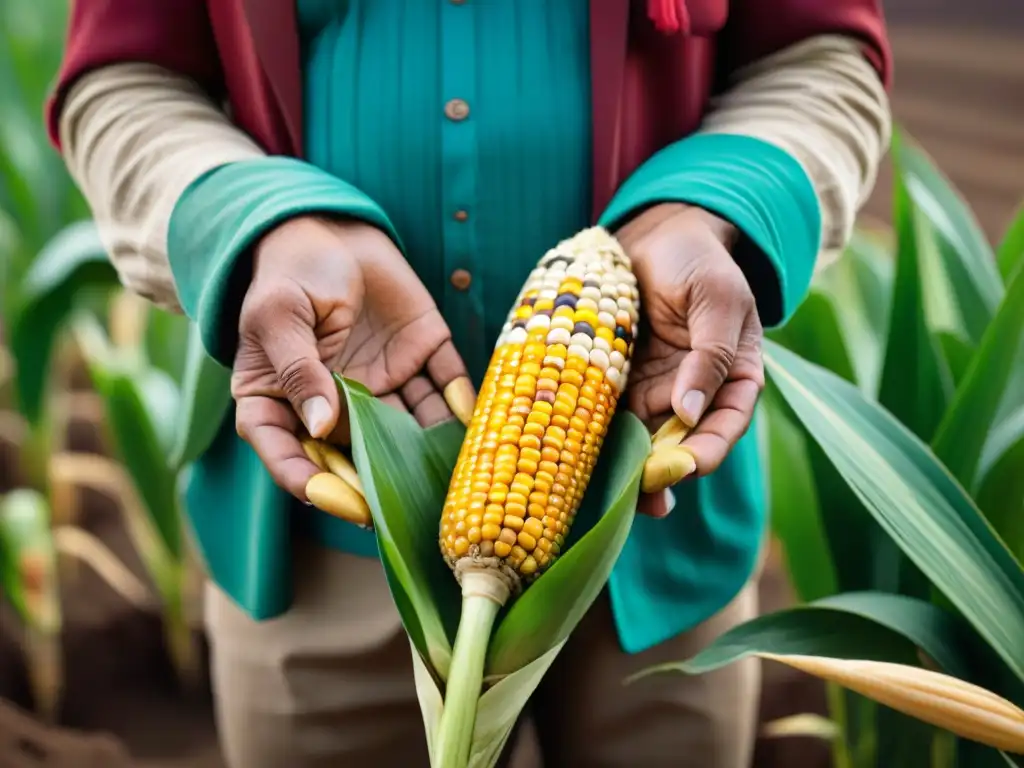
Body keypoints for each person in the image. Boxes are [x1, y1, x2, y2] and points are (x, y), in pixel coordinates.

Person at [46, 2, 891, 766]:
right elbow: (120, 82)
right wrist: (254, 219)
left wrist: (714, 206)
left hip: (654, 532)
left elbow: (820, 57)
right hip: (319, 518)